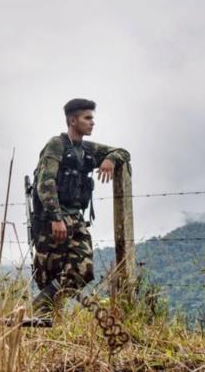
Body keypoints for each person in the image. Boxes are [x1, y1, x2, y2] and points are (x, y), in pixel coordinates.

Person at [31, 98, 131, 313]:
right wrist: (56, 218)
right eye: (87, 118)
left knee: (83, 271)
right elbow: (45, 183)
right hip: (52, 221)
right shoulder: (56, 145)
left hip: (76, 219)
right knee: (49, 274)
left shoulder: (86, 149)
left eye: (92, 118)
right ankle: (43, 318)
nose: (92, 123)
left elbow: (123, 151)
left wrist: (110, 160)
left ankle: (37, 308)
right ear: (72, 120)